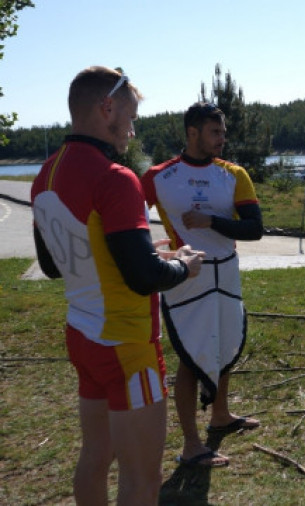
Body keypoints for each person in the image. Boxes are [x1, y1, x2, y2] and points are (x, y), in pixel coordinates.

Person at [30, 66, 204, 505]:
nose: (132, 126)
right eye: (129, 114)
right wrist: (183, 265)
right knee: (142, 479)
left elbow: (56, 264)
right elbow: (144, 278)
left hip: (83, 337)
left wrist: (146, 256)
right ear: (106, 107)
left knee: (95, 457)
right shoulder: (115, 176)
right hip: (127, 346)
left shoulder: (45, 175)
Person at [141, 102, 264, 468]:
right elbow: (127, 224)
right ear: (192, 132)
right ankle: (192, 445)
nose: (222, 139)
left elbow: (255, 228)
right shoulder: (157, 177)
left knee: (225, 344)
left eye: (223, 132)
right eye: (214, 132)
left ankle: (220, 414)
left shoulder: (234, 174)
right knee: (191, 358)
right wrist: (153, 252)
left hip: (226, 271)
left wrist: (210, 220)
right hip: (187, 277)